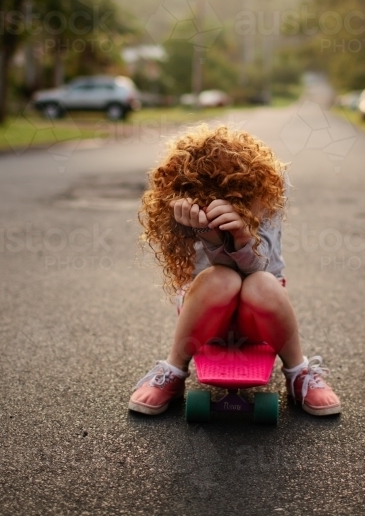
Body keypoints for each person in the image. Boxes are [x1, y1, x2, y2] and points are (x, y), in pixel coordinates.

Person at [129, 125, 341, 417]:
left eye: (236, 192)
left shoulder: (265, 192)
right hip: (206, 314)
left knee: (263, 283)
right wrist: (208, 235)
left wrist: (242, 236)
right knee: (222, 279)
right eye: (214, 192)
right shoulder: (185, 202)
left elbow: (262, 264)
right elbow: (213, 275)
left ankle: (298, 371)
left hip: (260, 314)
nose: (226, 200)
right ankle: (174, 371)